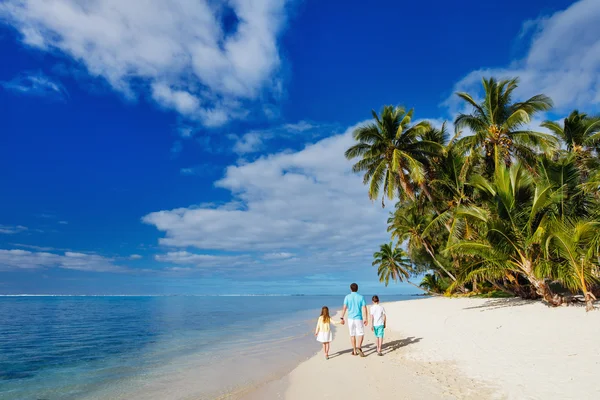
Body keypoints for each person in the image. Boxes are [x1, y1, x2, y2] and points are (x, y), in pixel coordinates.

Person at [340, 282, 367, 357]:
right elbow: (364, 308)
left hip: (350, 319)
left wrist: (342, 317)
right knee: (361, 333)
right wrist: (366, 318)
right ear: (357, 289)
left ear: (350, 289)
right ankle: (359, 346)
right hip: (358, 318)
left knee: (352, 335)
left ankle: (354, 351)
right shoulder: (361, 297)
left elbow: (344, 308)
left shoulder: (347, 297)